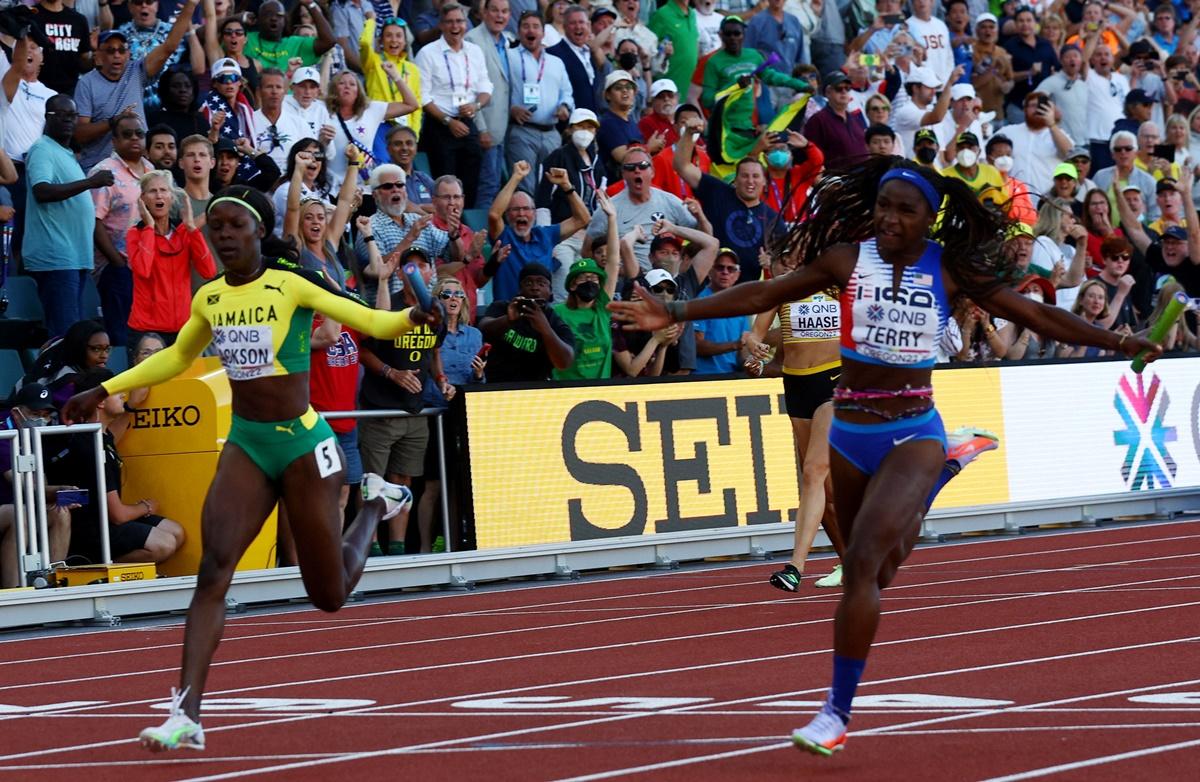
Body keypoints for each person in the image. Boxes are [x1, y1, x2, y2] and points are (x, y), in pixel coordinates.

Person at [609, 157, 1161, 756]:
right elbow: (766, 291)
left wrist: (1119, 340)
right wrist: (678, 310)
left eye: (905, 210)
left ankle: (835, 713)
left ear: (930, 218)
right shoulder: (848, 260)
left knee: (864, 564)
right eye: (883, 207)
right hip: (850, 428)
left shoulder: (948, 272)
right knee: (883, 568)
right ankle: (951, 466)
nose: (889, 218)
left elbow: (1036, 314)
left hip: (911, 428)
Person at [63, 185, 437, 752]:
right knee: (214, 571)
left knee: (328, 595)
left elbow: (369, 322)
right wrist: (104, 386)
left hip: (303, 445)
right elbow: (178, 356)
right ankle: (186, 713)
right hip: (247, 443)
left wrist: (414, 313)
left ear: (259, 231)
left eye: (237, 226)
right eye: (217, 228)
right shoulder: (210, 296)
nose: (226, 236)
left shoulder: (292, 284)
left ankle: (380, 504)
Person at [26, 95, 111, 338]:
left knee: (72, 334)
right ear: (47, 118)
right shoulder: (42, 149)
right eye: (61, 115)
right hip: (57, 257)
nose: (69, 121)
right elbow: (41, 191)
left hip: (73, 258)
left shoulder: (64, 153)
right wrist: (91, 182)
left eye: (73, 116)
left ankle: (68, 376)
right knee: (65, 335)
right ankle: (62, 377)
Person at [74, 7, 199, 171]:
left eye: (121, 50)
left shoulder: (136, 71)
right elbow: (80, 134)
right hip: (98, 168)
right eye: (110, 51)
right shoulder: (86, 83)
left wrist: (191, 4)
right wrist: (114, 121)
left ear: (128, 54)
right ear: (98, 57)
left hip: (137, 167)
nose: (117, 55)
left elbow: (169, 46)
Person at [126, 170, 217, 357]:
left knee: (184, 385)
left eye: (163, 190)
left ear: (171, 196)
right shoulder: (135, 234)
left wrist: (192, 228)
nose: (159, 195)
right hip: (147, 330)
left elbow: (209, 271)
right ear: (143, 199)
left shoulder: (184, 232)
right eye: (152, 191)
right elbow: (142, 269)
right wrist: (149, 227)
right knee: (149, 387)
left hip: (183, 329)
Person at [415, 2, 494, 208]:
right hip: (440, 124)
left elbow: (486, 87)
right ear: (441, 25)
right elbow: (422, 96)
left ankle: (466, 228)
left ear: (466, 24)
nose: (455, 26)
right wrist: (448, 121)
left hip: (468, 120)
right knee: (444, 184)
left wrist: (476, 106)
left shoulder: (474, 51)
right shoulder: (427, 53)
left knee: (471, 182)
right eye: (449, 22)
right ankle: (444, 228)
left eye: (459, 21)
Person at [90, 114, 153, 351]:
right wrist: (117, 263)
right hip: (116, 268)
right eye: (127, 134)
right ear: (114, 141)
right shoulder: (104, 172)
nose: (135, 138)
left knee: (147, 338)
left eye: (139, 133)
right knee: (121, 337)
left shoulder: (151, 170)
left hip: (147, 267)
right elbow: (94, 222)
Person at [488, 160, 591, 301]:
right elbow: (494, 215)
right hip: (506, 313)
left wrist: (566, 185)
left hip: (541, 312)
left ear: (534, 214)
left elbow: (583, 219)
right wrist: (516, 177)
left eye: (526, 209)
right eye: (515, 209)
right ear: (507, 215)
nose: (521, 214)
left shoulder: (545, 235)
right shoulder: (504, 235)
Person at [506, 11, 574, 192]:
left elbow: (567, 92)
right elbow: (500, 90)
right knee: (524, 185)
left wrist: (564, 106)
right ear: (519, 31)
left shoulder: (556, 62)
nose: (531, 30)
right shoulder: (509, 57)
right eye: (526, 26)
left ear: (543, 33)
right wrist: (511, 108)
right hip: (522, 131)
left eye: (536, 26)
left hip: (551, 133)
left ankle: (546, 220)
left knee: (550, 187)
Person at [479, 261, 576, 380]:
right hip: (497, 386)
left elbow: (565, 363)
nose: (535, 288)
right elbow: (482, 330)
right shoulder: (503, 307)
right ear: (520, 289)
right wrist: (507, 320)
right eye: (528, 283)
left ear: (550, 292)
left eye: (541, 283)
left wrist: (545, 329)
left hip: (534, 390)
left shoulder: (554, 321)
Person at [324, 69, 418, 186]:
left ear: (358, 91)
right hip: (331, 186)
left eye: (352, 84)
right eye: (341, 83)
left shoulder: (371, 109)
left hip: (363, 186)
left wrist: (395, 76)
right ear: (333, 88)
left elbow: (411, 105)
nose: (347, 87)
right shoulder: (322, 110)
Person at [465, 0, 514, 210]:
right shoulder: (472, 39)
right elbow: (471, 89)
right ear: (483, 12)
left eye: (504, 11)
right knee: (487, 185)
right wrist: (481, 128)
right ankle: (481, 236)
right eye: (494, 10)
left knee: (498, 185)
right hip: (485, 126)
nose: (499, 16)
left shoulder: (510, 40)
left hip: (505, 125)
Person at [245, 0, 336, 72]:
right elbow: (231, 29)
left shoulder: (296, 43)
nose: (273, 18)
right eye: (268, 14)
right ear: (258, 19)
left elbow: (329, 41)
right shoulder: (246, 39)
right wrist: (242, 18)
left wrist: (310, 4)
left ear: (285, 20)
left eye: (279, 15)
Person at [801, 71, 868, 167]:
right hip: (837, 178)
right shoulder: (818, 120)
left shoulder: (855, 118)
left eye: (847, 88)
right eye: (839, 88)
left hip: (862, 177)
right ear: (828, 92)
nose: (844, 92)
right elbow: (811, 156)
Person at [148, 70, 209, 147]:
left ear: (194, 91)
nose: (183, 90)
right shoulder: (154, 119)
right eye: (176, 86)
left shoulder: (200, 121)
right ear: (165, 91)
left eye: (187, 86)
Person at [385, 125, 436, 210]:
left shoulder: (423, 179)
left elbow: (443, 207)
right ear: (388, 149)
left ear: (416, 148)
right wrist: (423, 210)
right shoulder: (383, 179)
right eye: (398, 144)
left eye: (409, 143)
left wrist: (417, 208)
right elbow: (398, 209)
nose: (404, 148)